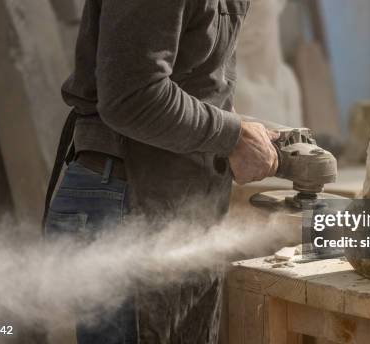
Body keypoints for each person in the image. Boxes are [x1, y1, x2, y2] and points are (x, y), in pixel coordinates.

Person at [43, 0, 278, 343]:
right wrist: (232, 135)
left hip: (175, 202)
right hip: (127, 198)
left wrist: (243, 132)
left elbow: (198, 79)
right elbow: (132, 95)